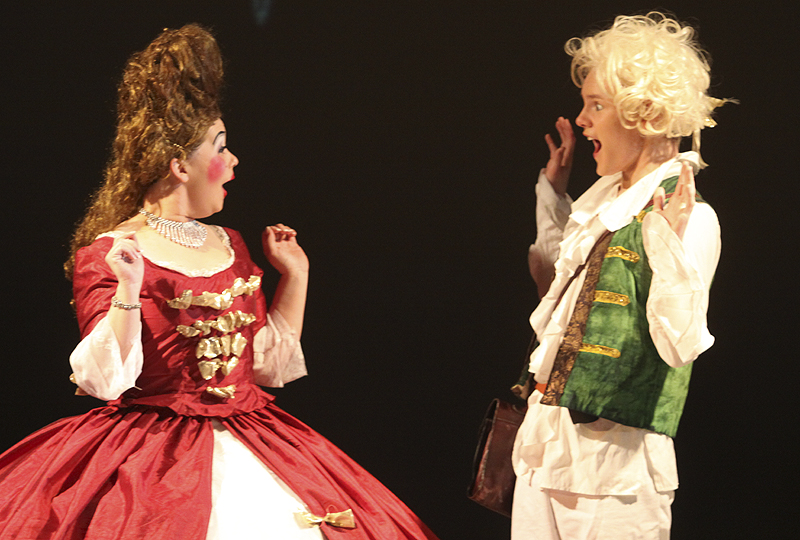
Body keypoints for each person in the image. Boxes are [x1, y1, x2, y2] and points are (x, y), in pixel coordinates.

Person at [0, 24, 438, 540]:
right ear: (180, 166)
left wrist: (295, 276)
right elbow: (106, 381)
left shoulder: (230, 242)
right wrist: (127, 287)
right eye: (221, 147)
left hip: (253, 433)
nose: (233, 161)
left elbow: (266, 368)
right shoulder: (113, 251)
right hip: (151, 450)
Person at [511, 13, 729, 539]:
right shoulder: (606, 202)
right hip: (547, 446)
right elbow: (559, 302)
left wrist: (667, 245)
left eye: (596, 105)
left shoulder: (691, 217)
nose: (582, 120)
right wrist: (553, 195)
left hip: (616, 472)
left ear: (644, 113)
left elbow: (679, 345)